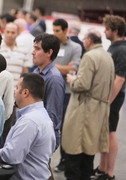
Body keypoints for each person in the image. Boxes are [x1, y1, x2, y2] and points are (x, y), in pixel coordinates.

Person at [62, 28, 115, 180]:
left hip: (84, 108)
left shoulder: (90, 56)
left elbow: (82, 84)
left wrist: (72, 80)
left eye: (84, 38)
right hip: (98, 109)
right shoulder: (107, 56)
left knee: (75, 153)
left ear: (89, 40)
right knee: (88, 155)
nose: (83, 41)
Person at [0, 73, 56, 180]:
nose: (14, 91)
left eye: (17, 87)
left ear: (25, 92)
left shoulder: (30, 121)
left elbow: (11, 156)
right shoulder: (41, 115)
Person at [91, 15, 126, 180]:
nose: (104, 31)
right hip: (107, 97)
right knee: (104, 133)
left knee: (111, 132)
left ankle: (109, 173)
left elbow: (119, 79)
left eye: (107, 29)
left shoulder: (122, 49)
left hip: (114, 97)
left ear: (115, 31)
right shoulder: (114, 47)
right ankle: (102, 167)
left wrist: (107, 102)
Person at [32, 33, 64, 180]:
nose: (33, 51)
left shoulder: (54, 79)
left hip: (44, 134)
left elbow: (53, 115)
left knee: (41, 171)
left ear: (49, 52)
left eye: (37, 48)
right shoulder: (37, 72)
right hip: (35, 130)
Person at [52, 18, 82, 173]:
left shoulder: (75, 47)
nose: (55, 33)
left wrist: (52, 66)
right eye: (54, 30)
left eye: (57, 31)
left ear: (65, 30)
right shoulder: (51, 44)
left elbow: (72, 69)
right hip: (51, 91)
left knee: (64, 127)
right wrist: (63, 67)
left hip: (67, 93)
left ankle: (64, 160)